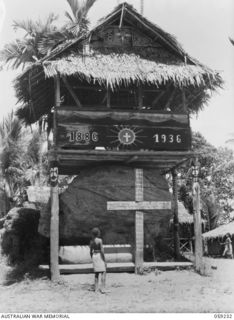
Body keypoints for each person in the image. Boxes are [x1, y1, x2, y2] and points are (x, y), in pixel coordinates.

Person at [90, 227, 106, 293]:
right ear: (98, 233)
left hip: (94, 256)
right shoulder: (100, 240)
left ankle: (96, 289)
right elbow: (102, 250)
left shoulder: (91, 241)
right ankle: (102, 288)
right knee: (103, 272)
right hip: (99, 255)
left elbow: (90, 251)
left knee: (96, 273)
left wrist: (92, 257)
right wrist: (104, 260)